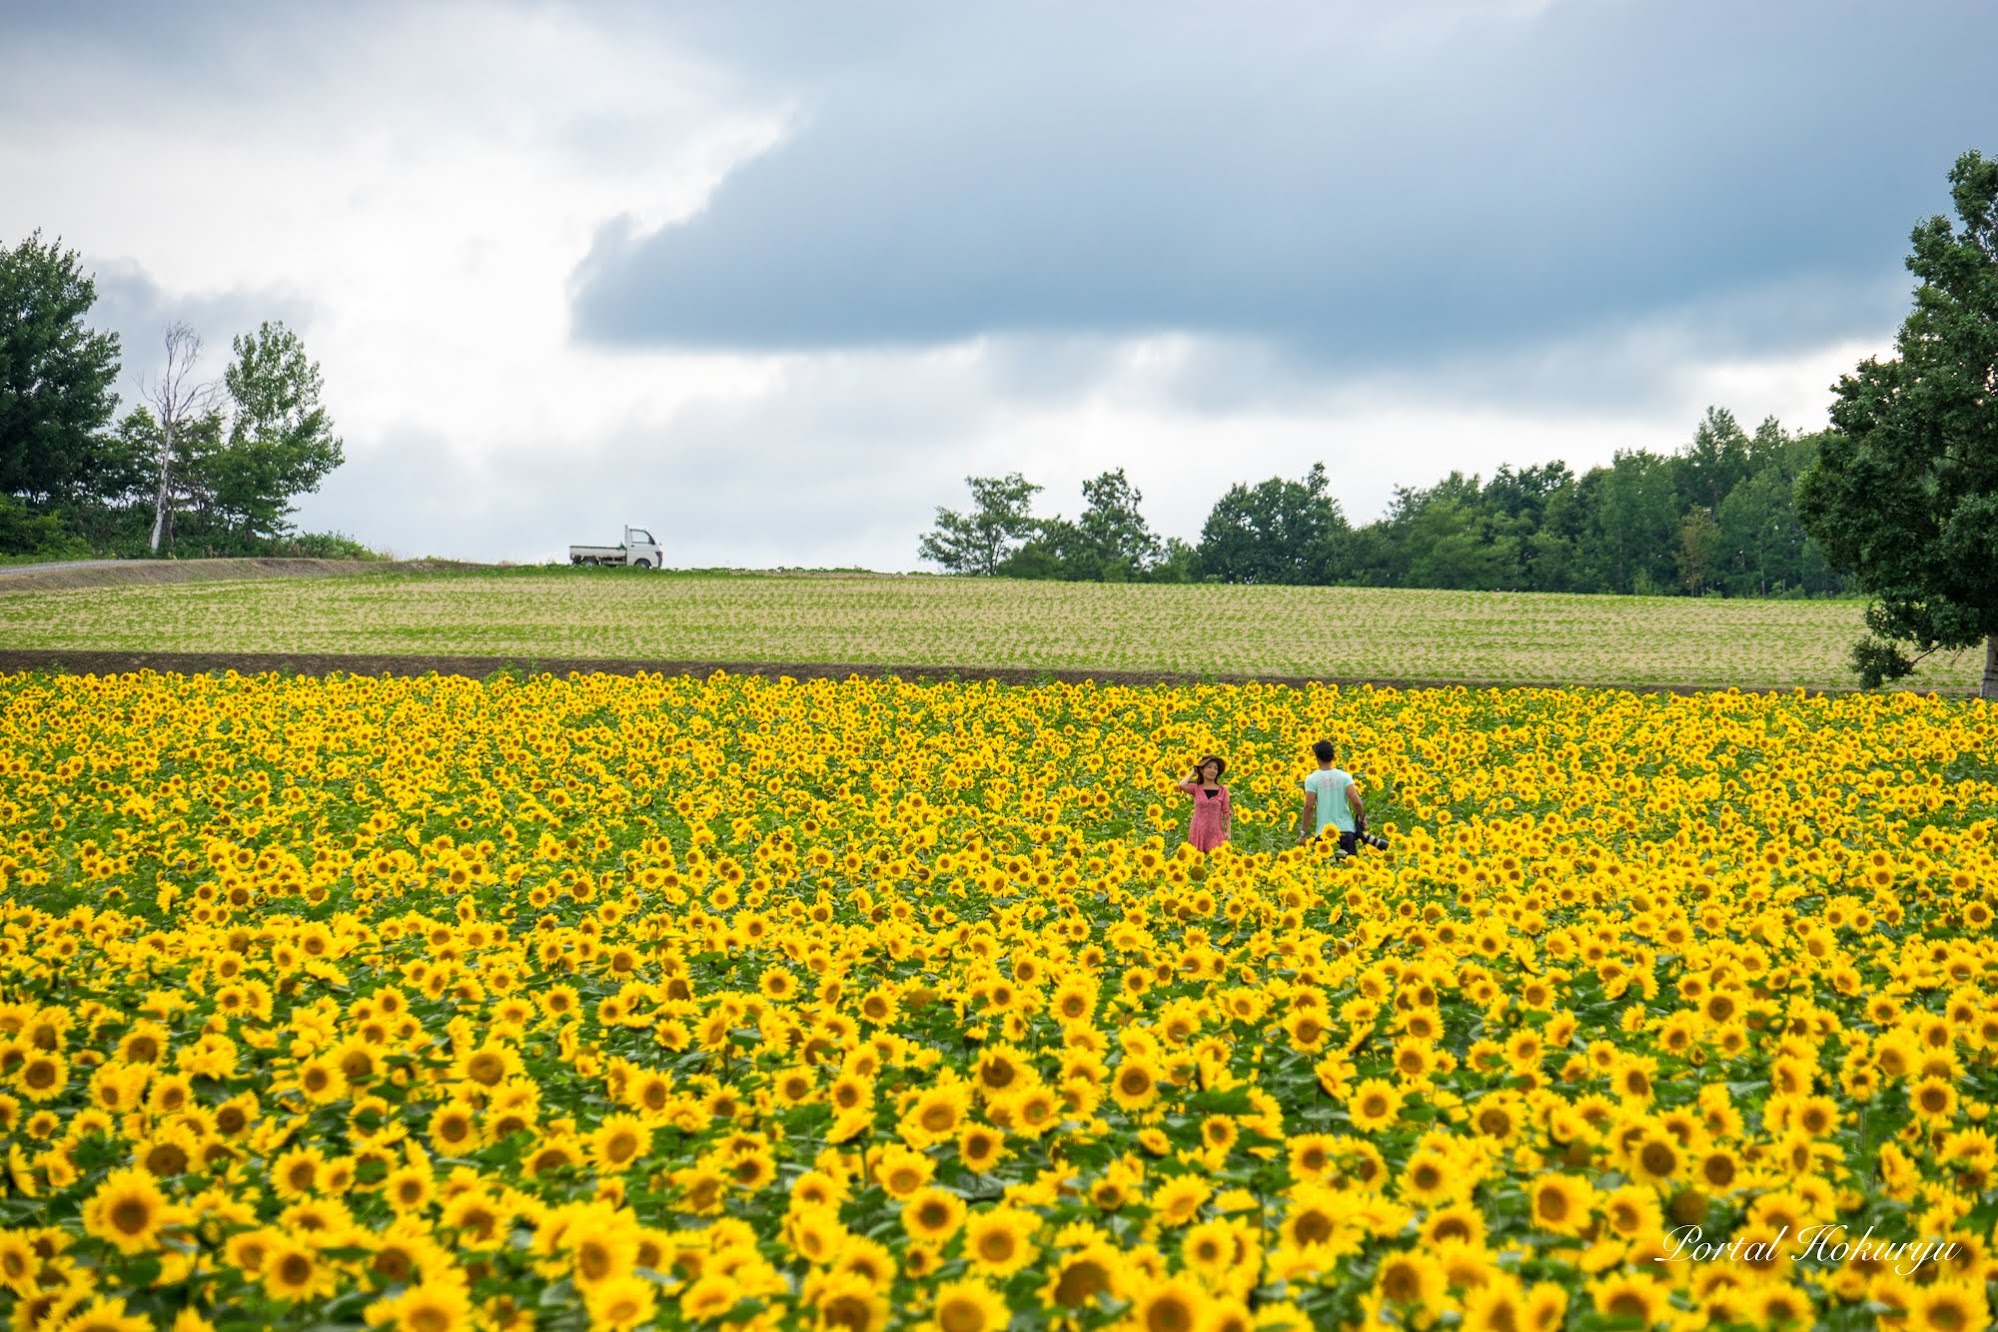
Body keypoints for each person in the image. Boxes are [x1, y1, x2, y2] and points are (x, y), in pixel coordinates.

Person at [1297, 738, 1366, 854]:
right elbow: (1356, 802)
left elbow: (1309, 806)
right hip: (1346, 831)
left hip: (1325, 833)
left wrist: (1303, 833)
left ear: (1317, 758)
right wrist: (1362, 817)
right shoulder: (1344, 777)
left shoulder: (1312, 779)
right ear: (1333, 757)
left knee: (1327, 870)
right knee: (1349, 870)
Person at [1177, 755, 1232, 853]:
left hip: (1215, 831)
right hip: (1197, 830)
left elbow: (1226, 812)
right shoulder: (1196, 788)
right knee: (1196, 859)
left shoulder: (1223, 790)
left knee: (1215, 859)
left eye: (1215, 768)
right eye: (1209, 767)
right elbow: (1181, 785)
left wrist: (1228, 832)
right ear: (1202, 770)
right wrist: (1193, 772)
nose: (1213, 770)